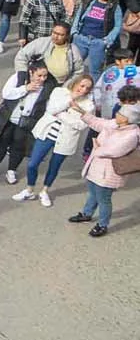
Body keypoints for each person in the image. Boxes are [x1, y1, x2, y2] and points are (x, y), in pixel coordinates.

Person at [68, 99, 140, 237]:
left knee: (104, 199)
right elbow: (99, 123)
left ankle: (102, 225)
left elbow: (114, 151)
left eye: (120, 113)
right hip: (97, 168)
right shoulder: (115, 124)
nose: (116, 114)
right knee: (93, 193)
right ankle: (87, 213)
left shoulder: (131, 135)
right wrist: (82, 112)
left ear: (127, 118)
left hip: (109, 173)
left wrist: (96, 147)